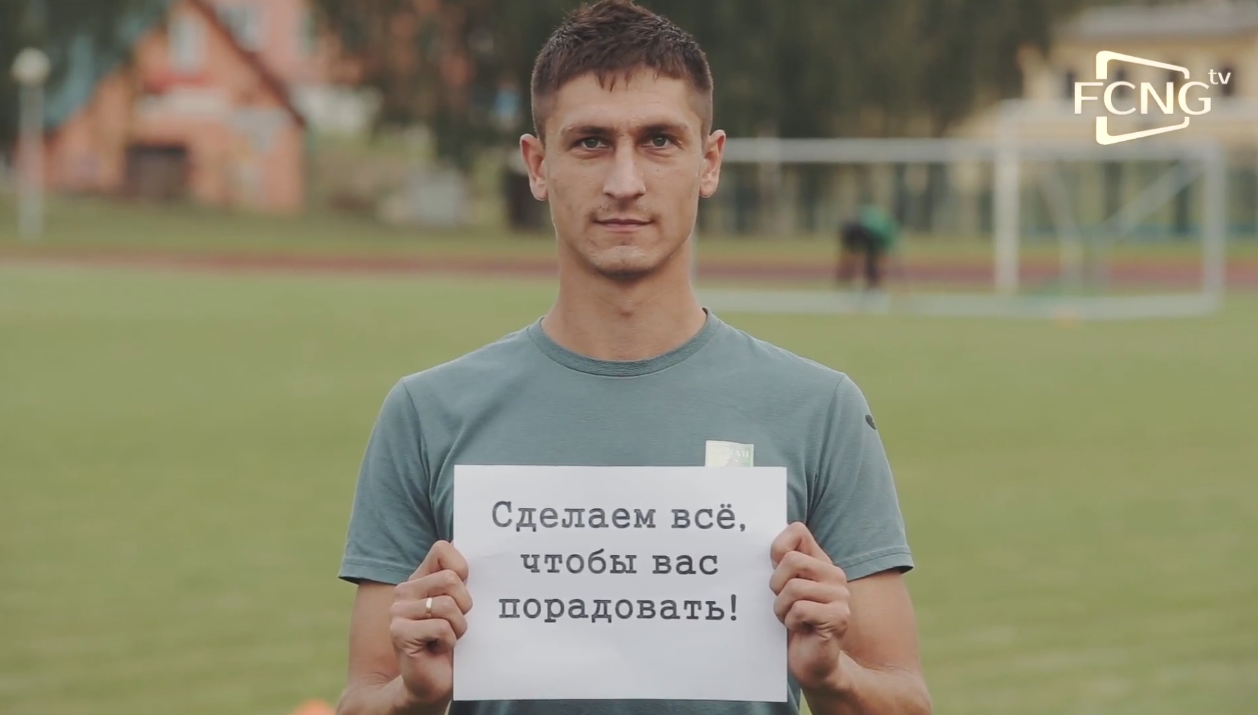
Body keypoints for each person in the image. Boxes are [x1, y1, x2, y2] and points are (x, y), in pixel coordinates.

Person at [334, 2, 930, 715]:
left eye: (659, 141)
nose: (625, 181)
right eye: (590, 142)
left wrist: (835, 678)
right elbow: (364, 697)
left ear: (709, 162)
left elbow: (904, 698)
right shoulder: (428, 414)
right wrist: (412, 695)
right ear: (538, 165)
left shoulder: (818, 411)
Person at [836, 204, 900, 290]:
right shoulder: (884, 232)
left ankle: (855, 280)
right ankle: (849, 279)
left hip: (862, 233)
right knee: (862, 260)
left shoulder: (884, 231)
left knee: (865, 260)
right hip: (862, 233)